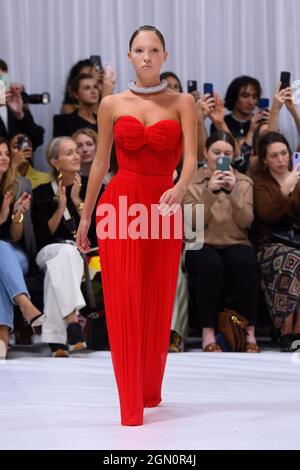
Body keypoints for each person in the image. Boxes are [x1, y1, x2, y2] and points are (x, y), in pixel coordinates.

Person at [76, 25, 197, 426]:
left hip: (163, 209)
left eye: (154, 50)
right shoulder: (111, 103)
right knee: (124, 297)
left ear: (165, 56)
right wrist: (86, 214)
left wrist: (179, 189)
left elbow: (192, 162)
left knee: (158, 297)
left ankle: (148, 388)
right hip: (120, 206)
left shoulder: (183, 102)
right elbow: (99, 163)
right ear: (130, 56)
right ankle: (130, 406)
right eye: (139, 50)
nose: (146, 56)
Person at [183, 131, 260, 353]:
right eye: (216, 152)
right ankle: (208, 333)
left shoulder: (244, 182)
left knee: (245, 263)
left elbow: (246, 221)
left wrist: (234, 191)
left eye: (227, 153)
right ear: (205, 153)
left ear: (233, 155)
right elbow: (192, 225)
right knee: (210, 265)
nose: (221, 157)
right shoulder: (191, 182)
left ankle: (249, 332)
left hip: (236, 240)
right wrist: (209, 192)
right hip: (200, 242)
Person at [32, 137, 101, 357]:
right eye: (69, 153)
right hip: (49, 250)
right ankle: (72, 320)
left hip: (79, 253)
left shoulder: (92, 187)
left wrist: (78, 201)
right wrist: (61, 207)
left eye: (76, 152)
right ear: (55, 162)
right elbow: (43, 236)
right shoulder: (42, 192)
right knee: (64, 253)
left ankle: (57, 342)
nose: (77, 156)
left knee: (60, 267)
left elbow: (98, 233)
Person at [253, 132, 300, 352]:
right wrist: (284, 190)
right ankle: (285, 330)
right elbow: (267, 215)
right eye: (274, 156)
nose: (281, 160)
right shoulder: (260, 183)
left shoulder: (297, 177)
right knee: (293, 260)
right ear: (265, 160)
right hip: (269, 245)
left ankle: (298, 331)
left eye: (284, 154)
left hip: (296, 241)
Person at [0, 137, 44, 359]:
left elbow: (15, 236)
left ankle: (2, 335)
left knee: (1, 248)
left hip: (13, 255)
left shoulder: (18, 185)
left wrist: (17, 216)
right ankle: (24, 305)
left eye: (7, 153)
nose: (5, 158)